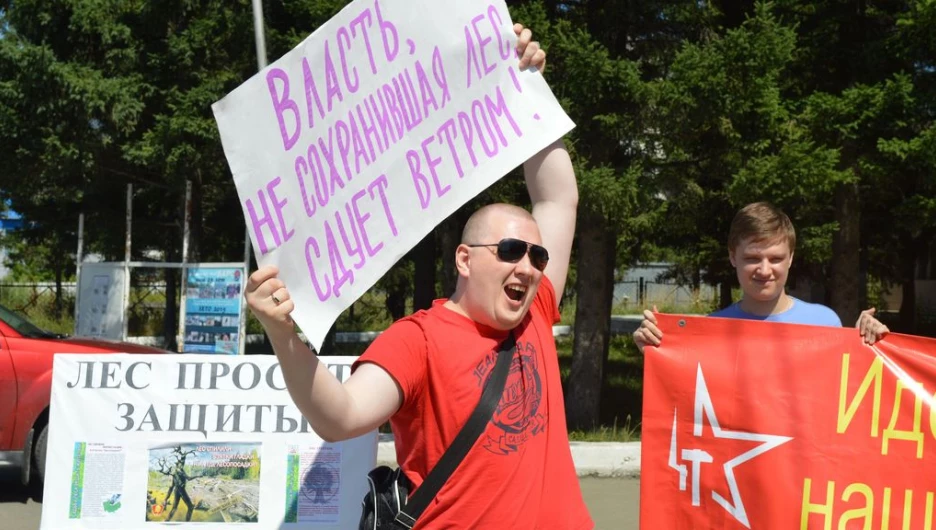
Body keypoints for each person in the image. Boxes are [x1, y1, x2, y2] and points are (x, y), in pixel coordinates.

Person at [245, 24, 593, 530]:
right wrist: (281, 331)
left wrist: (527, 82)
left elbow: (558, 198)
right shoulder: (417, 340)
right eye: (512, 250)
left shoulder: (534, 310)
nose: (529, 266)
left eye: (538, 256)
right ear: (465, 260)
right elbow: (339, 416)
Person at [633, 201, 890, 351]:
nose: (765, 270)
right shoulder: (710, 331)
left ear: (791, 257)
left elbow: (845, 400)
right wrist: (656, 349)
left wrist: (872, 346)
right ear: (733, 257)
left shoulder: (825, 323)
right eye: (753, 258)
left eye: (776, 259)